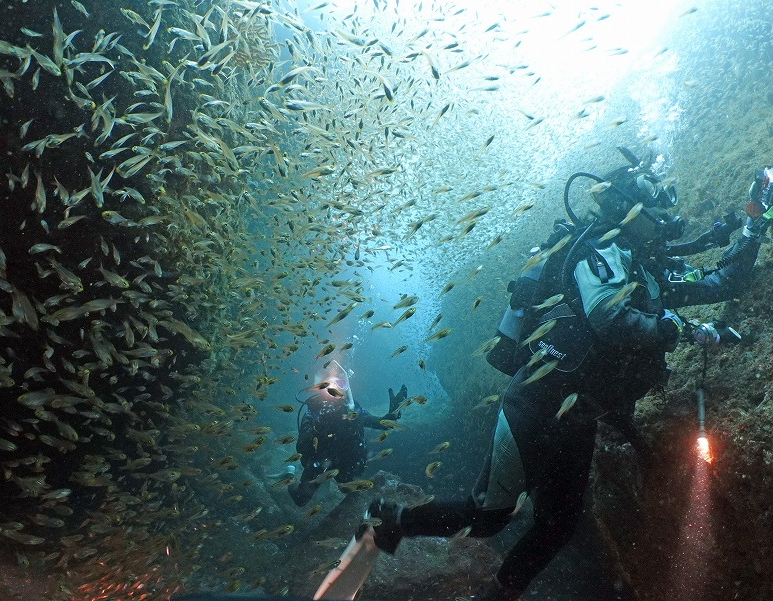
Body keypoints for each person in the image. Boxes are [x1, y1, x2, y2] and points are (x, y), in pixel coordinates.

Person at [365, 153, 771, 600]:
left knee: (558, 527)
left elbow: (718, 284)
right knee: (486, 520)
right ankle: (393, 521)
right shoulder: (596, 253)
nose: (665, 217)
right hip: (537, 405)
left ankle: (499, 594)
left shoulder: (646, 269)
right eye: (655, 206)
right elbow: (607, 317)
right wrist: (679, 327)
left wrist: (755, 223)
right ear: (627, 210)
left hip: (577, 417)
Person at [288, 360, 407, 506]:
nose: (336, 389)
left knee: (353, 494)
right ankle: (289, 473)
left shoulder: (352, 408)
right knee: (300, 499)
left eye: (341, 384)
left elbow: (380, 423)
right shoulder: (314, 410)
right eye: (330, 385)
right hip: (320, 462)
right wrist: (319, 429)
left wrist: (393, 415)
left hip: (346, 463)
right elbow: (302, 446)